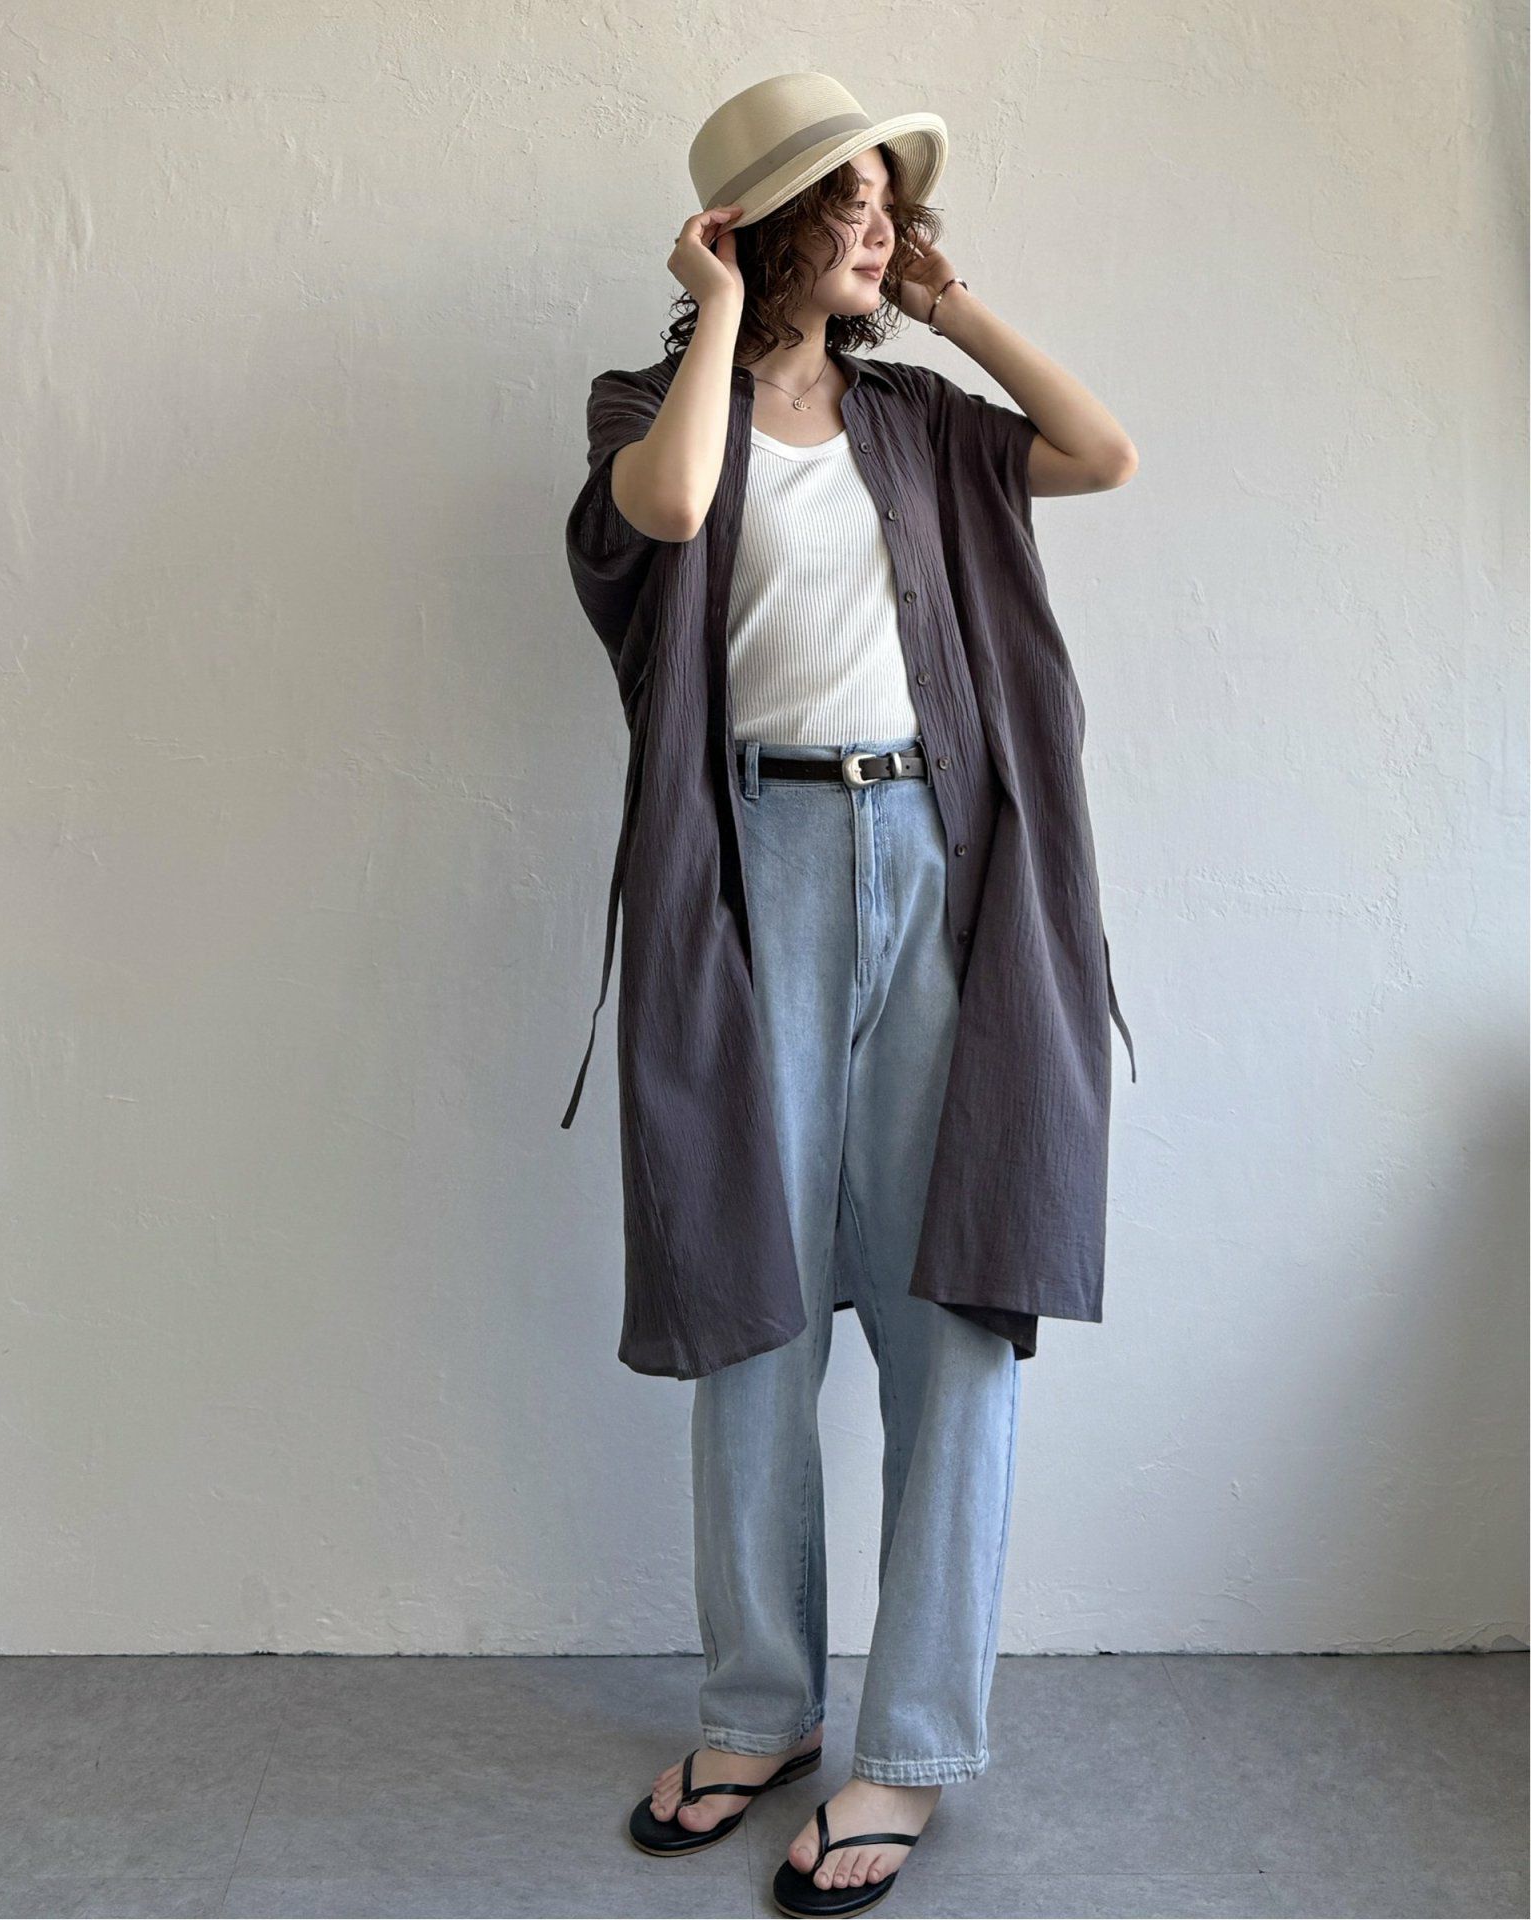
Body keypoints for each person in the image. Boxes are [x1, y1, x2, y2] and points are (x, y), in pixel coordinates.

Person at [579, 75, 1138, 1920]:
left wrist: (949, 304)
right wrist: (718, 310)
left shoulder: (921, 422)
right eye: (847, 199)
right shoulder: (648, 408)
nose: (879, 222)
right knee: (749, 1292)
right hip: (749, 871)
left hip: (941, 860)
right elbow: (671, 509)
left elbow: (1102, 452)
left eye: (892, 199)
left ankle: (909, 1743)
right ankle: (761, 1710)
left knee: (947, 1296)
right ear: (755, 227)